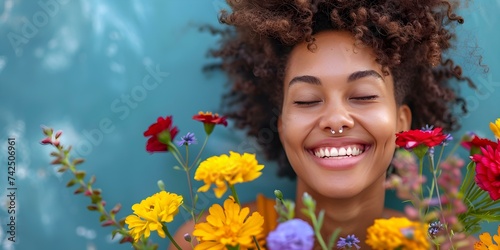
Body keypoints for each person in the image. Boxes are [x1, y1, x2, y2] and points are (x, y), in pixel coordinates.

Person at [173, 0, 479, 249]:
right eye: (306, 100)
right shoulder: (203, 241)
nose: (335, 120)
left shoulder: (451, 245)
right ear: (281, 127)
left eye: (362, 96)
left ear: (402, 124)